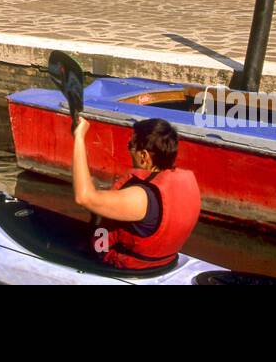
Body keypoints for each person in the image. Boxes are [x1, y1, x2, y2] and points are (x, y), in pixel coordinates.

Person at [72, 116, 200, 270]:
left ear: (144, 156)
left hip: (121, 265)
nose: (129, 149)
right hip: (163, 262)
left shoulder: (142, 197)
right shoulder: (184, 184)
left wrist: (79, 138)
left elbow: (83, 197)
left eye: (131, 145)